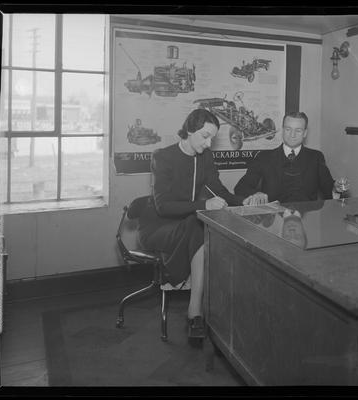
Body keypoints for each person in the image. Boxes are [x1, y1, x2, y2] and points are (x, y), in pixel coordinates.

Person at [137, 108, 254, 339]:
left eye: (212, 137)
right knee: (199, 221)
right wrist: (203, 205)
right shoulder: (163, 157)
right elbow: (163, 206)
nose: (209, 143)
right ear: (189, 130)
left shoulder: (205, 157)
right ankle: (195, 312)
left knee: (199, 223)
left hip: (190, 225)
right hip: (158, 227)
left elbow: (217, 190)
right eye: (205, 136)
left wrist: (244, 201)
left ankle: (201, 308)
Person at [234, 111, 336, 204]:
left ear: (305, 133)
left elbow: (330, 191)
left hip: (306, 219)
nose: (292, 135)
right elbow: (240, 188)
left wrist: (339, 188)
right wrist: (256, 194)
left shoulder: (316, 157)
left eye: (298, 130)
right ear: (283, 130)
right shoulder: (264, 157)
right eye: (288, 129)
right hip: (274, 220)